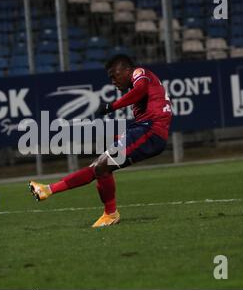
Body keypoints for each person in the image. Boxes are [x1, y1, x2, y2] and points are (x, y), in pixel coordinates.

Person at [29, 54, 173, 228]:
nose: (113, 81)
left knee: (102, 167)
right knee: (98, 167)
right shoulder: (141, 82)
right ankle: (48, 189)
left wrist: (111, 106)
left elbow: (140, 89)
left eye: (115, 75)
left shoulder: (139, 72)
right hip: (142, 129)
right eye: (110, 78)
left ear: (127, 70)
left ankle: (111, 214)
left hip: (150, 130)